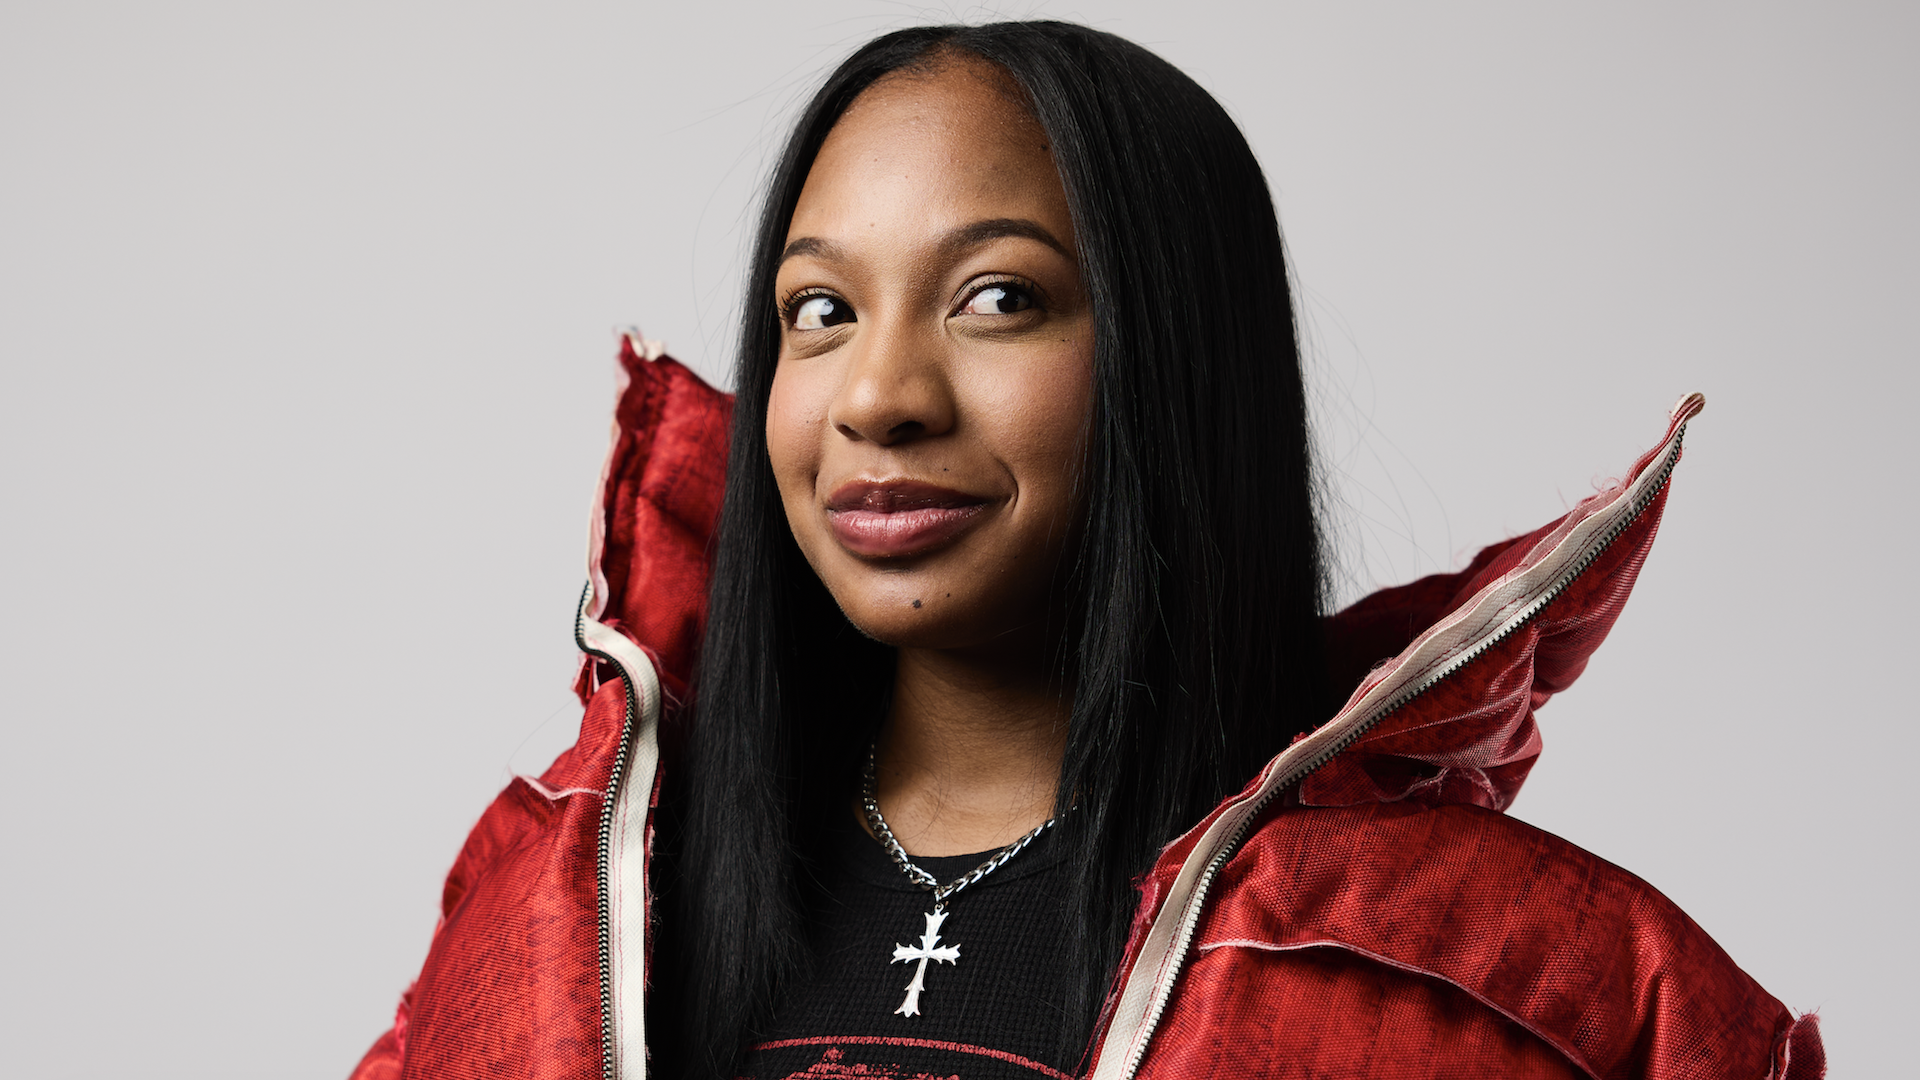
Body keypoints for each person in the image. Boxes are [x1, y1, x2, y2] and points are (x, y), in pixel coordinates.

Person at [350, 21, 1823, 1080]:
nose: (877, 396)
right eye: (819, 311)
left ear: (1182, 363)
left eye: (997, 300)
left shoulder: (1526, 992)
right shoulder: (562, 909)